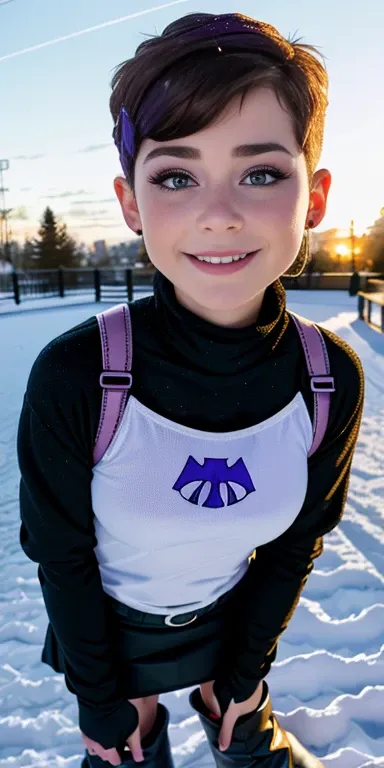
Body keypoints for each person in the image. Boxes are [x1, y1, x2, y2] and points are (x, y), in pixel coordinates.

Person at [17, 12, 364, 768]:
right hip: (112, 637)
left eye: (261, 171)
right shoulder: (78, 376)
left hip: (235, 629)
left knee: (250, 744)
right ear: (131, 201)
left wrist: (244, 672)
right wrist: (102, 698)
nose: (218, 213)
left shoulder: (329, 377)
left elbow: (298, 541)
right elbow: (62, 556)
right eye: (176, 175)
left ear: (315, 197)